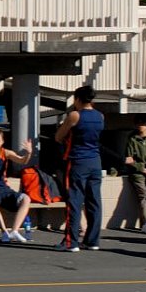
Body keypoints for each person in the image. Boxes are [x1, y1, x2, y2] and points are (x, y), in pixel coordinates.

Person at [53, 85, 105, 252]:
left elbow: (58, 136)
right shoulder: (100, 116)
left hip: (78, 161)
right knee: (94, 201)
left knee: (74, 201)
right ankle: (92, 241)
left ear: (77, 99)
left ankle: (71, 242)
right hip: (95, 161)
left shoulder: (75, 115)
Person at [0, 129, 34, 242]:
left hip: (3, 188)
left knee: (26, 198)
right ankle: (4, 232)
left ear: (2, 142)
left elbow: (22, 161)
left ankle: (14, 231)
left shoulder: (5, 153)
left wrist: (28, 153)